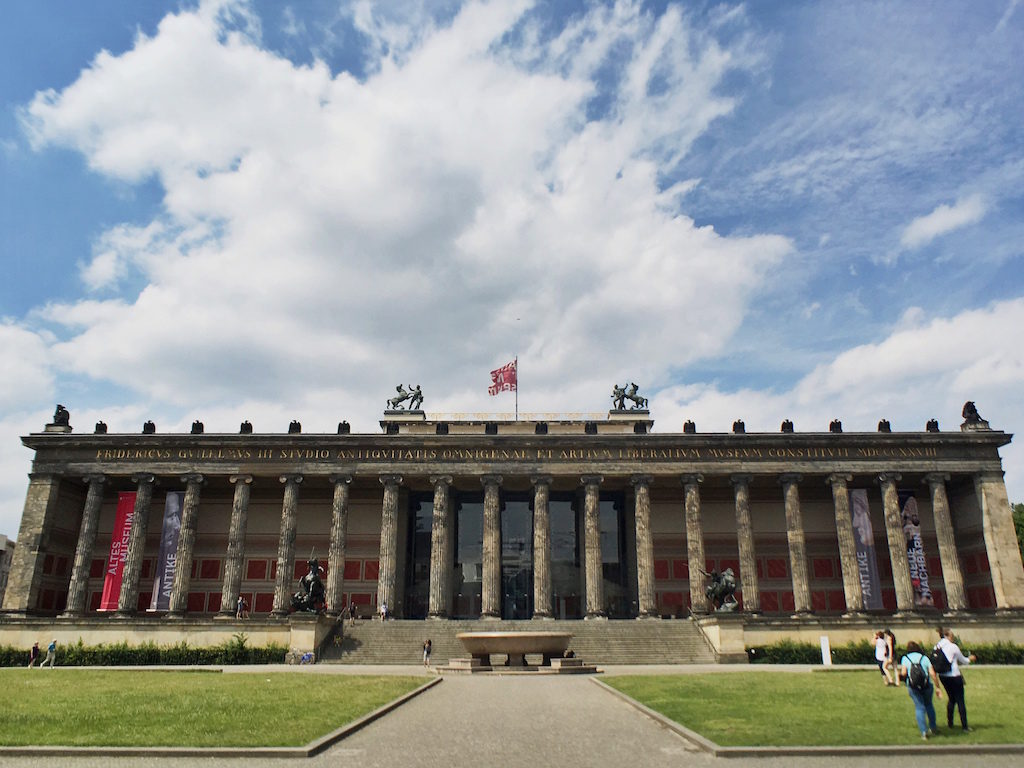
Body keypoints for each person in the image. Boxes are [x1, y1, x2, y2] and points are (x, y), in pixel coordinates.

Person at [899, 640, 942, 739]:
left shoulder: (905, 658)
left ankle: (923, 732)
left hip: (913, 686)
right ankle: (933, 727)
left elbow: (904, 673)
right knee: (929, 705)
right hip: (927, 685)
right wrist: (938, 687)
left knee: (919, 707)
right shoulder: (924, 658)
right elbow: (932, 673)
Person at [935, 627, 976, 732]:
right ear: (948, 636)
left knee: (951, 698)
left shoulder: (937, 646)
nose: (953, 638)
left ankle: (950, 722)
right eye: (952, 636)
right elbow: (963, 660)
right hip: (954, 675)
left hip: (943, 676)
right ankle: (965, 726)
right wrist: (970, 658)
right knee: (960, 700)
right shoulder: (953, 647)